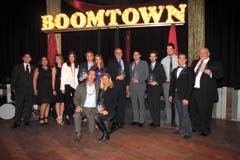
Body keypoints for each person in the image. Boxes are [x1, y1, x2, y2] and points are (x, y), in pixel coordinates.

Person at [190, 48, 223, 136]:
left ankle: (205, 129)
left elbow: (220, 74)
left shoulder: (214, 63)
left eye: (204, 52)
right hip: (193, 90)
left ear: (208, 53)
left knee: (205, 111)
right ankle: (195, 127)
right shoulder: (194, 62)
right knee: (194, 110)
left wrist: (211, 73)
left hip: (205, 92)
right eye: (200, 52)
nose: (202, 54)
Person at [169, 53, 195, 139]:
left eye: (183, 58)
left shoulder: (189, 70)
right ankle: (182, 129)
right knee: (180, 113)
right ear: (178, 60)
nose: (181, 60)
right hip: (176, 96)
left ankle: (188, 131)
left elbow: (191, 85)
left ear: (186, 60)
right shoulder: (175, 70)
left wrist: (186, 98)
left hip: (184, 97)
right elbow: (172, 84)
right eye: (180, 58)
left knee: (185, 114)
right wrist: (170, 95)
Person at [73, 69, 99, 142]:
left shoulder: (98, 85)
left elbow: (101, 97)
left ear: (95, 77)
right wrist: (78, 106)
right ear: (87, 75)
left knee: (91, 130)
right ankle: (78, 133)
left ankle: (90, 121)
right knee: (76, 115)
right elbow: (76, 98)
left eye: (93, 75)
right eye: (90, 74)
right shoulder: (81, 86)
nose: (92, 76)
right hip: (83, 108)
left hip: (93, 110)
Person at [107, 48, 130, 129]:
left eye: (120, 53)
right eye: (117, 53)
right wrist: (116, 76)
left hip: (123, 86)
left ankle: (120, 121)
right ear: (114, 53)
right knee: (114, 104)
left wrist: (127, 86)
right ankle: (114, 121)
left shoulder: (125, 62)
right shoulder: (111, 62)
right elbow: (108, 74)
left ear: (122, 53)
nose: (118, 54)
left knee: (122, 104)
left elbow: (128, 75)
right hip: (115, 86)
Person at [11, 53, 35, 128]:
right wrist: (13, 88)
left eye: (29, 57)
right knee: (19, 106)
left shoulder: (33, 68)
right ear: (23, 58)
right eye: (26, 57)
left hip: (30, 91)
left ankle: (26, 121)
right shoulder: (17, 67)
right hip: (19, 90)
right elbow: (13, 78)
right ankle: (17, 122)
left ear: (31, 59)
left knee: (29, 106)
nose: (27, 58)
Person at [161, 43, 179, 128]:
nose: (169, 50)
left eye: (170, 49)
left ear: (174, 49)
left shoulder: (178, 59)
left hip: (177, 84)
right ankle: (168, 121)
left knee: (176, 102)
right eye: (167, 49)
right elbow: (161, 73)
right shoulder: (163, 60)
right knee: (167, 103)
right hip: (166, 84)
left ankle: (178, 122)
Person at [95, 73, 117, 142]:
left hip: (110, 111)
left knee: (97, 117)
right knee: (98, 118)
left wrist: (107, 111)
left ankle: (105, 134)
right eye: (103, 79)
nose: (105, 80)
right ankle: (107, 133)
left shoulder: (113, 89)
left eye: (106, 79)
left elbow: (115, 103)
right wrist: (99, 109)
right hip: (101, 109)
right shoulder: (101, 89)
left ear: (109, 79)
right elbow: (99, 100)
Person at [129, 51, 149, 127]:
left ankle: (141, 120)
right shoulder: (131, 64)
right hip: (132, 87)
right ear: (133, 56)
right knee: (134, 104)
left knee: (141, 104)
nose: (135, 56)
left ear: (140, 55)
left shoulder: (144, 63)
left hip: (140, 86)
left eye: (137, 54)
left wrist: (139, 80)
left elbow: (146, 75)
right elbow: (130, 75)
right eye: (134, 55)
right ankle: (135, 120)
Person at [147, 51, 166, 128]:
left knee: (156, 105)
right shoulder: (147, 66)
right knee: (151, 105)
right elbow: (146, 76)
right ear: (149, 57)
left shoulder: (160, 65)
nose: (152, 58)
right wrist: (147, 81)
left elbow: (164, 77)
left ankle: (157, 122)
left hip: (156, 88)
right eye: (151, 56)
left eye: (153, 56)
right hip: (149, 88)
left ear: (156, 57)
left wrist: (157, 82)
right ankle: (153, 121)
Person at [33, 56, 54, 125]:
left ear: (47, 61)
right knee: (44, 103)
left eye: (45, 60)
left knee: (48, 103)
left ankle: (46, 117)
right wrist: (35, 89)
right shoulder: (38, 69)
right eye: (43, 60)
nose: (44, 61)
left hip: (49, 88)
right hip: (42, 89)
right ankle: (41, 118)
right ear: (41, 61)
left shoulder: (50, 69)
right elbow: (34, 79)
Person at [60, 51, 79, 124]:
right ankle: (67, 116)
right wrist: (62, 88)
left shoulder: (77, 65)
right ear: (68, 58)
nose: (71, 58)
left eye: (73, 56)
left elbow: (76, 77)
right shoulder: (65, 65)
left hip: (74, 86)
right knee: (67, 102)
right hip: (67, 85)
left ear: (74, 58)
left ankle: (74, 116)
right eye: (70, 56)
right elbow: (63, 76)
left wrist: (77, 87)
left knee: (74, 102)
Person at [52, 54, 65, 125]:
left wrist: (63, 79)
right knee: (57, 102)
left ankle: (61, 116)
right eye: (56, 58)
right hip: (57, 86)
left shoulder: (64, 66)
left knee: (62, 102)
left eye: (59, 58)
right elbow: (53, 79)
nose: (57, 59)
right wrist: (53, 89)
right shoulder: (54, 68)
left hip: (63, 86)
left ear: (61, 59)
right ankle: (58, 116)